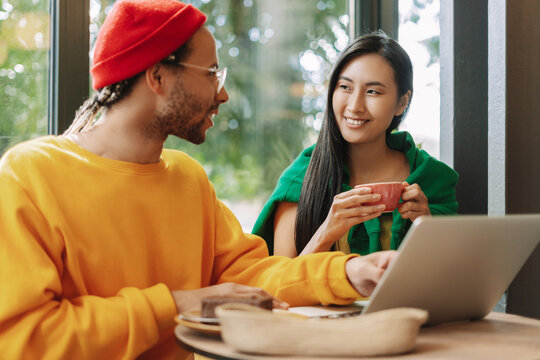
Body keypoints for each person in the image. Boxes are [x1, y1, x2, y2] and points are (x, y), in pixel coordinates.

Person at [0, 1, 396, 359]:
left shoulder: (188, 178)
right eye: (211, 73)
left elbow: (253, 277)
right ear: (157, 77)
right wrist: (178, 304)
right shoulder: (28, 176)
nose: (222, 94)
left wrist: (348, 272)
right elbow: (25, 339)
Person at [252, 32, 458, 257]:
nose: (355, 106)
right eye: (345, 87)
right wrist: (328, 231)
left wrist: (425, 223)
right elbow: (282, 283)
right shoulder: (302, 178)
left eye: (372, 91)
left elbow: (456, 275)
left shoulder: (430, 178)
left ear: (402, 102)